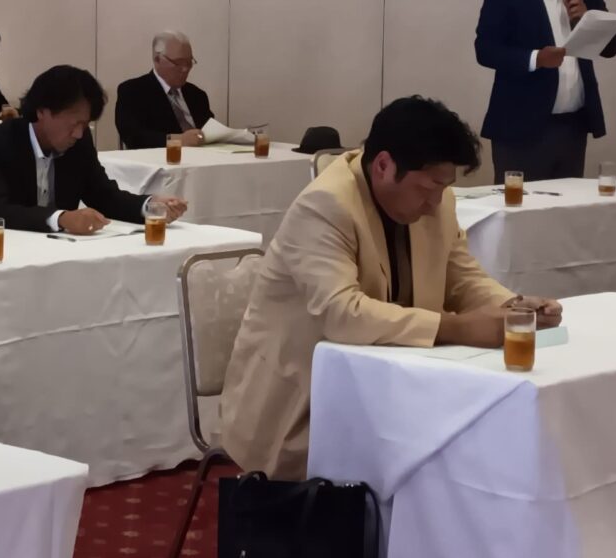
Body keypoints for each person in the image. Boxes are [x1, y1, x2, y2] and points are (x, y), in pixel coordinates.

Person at [221, 96, 555, 479]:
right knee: (443, 464)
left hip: (389, 388)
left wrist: (514, 308)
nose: (434, 203)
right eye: (427, 188)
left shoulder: (438, 198)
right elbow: (343, 314)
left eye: (443, 187)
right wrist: (457, 327)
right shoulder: (324, 206)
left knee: (477, 449)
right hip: (305, 403)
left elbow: (462, 278)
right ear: (383, 165)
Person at [474, 0, 616, 182]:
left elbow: (612, 48)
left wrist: (588, 19)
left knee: (568, 206)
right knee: (520, 205)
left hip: (573, 125)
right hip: (520, 127)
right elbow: (486, 50)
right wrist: (536, 59)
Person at [0, 64, 185, 235]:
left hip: (51, 253)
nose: (78, 133)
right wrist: (61, 218)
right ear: (42, 111)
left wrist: (150, 206)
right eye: (74, 124)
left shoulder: (79, 143)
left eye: (85, 125)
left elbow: (103, 196)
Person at [114, 31, 217, 149]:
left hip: (204, 157)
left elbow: (210, 131)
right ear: (157, 59)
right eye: (178, 63)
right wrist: (178, 140)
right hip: (161, 158)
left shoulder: (197, 95)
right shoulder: (133, 91)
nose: (185, 69)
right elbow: (134, 136)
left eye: (189, 62)